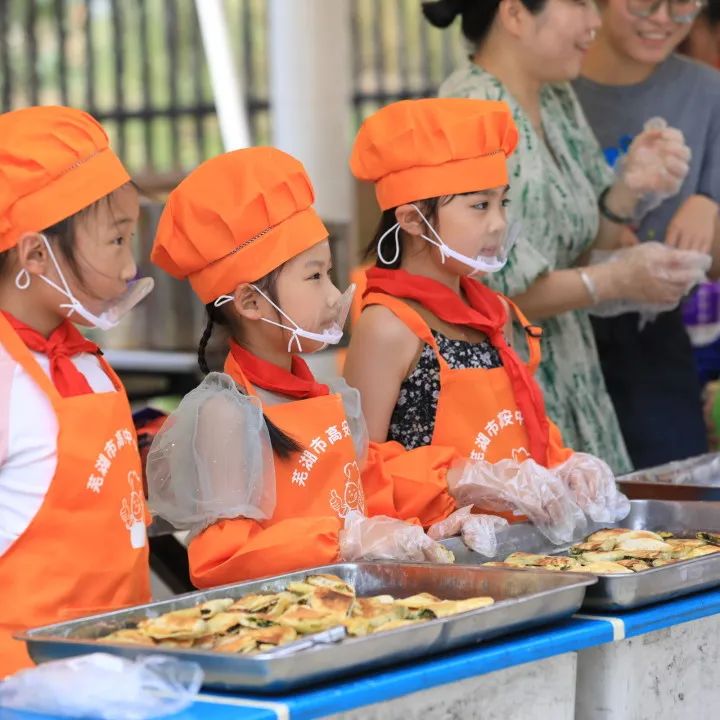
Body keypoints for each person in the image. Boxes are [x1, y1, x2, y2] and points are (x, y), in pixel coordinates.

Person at [147, 147, 458, 588]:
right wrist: (344, 540)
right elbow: (224, 558)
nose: (335, 296)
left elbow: (371, 486)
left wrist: (447, 502)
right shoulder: (226, 413)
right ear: (251, 302)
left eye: (330, 273)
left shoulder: (327, 397)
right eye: (315, 277)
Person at [423, 0, 696, 472]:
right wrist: (614, 282)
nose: (595, 22)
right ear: (514, 15)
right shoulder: (468, 114)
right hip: (507, 391)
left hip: (574, 372)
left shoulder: (555, 98)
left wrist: (627, 189)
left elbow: (586, 246)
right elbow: (485, 290)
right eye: (580, 4)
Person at [344, 97, 629, 540]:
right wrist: (458, 480)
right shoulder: (386, 326)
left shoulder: (494, 312)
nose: (499, 224)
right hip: (436, 562)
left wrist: (562, 463)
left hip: (520, 546)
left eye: (503, 203)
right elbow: (359, 471)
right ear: (413, 220)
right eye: (480, 206)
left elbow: (516, 431)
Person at [0, 106, 153, 675]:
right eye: (116, 241)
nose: (128, 266)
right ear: (35, 254)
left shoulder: (88, 364)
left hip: (123, 672)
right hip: (21, 691)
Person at [573, 0, 720, 467]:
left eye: (681, 6)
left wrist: (711, 205)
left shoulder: (706, 91)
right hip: (559, 326)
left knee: (675, 510)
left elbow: (712, 264)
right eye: (644, 2)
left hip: (655, 337)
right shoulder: (557, 86)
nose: (662, 19)